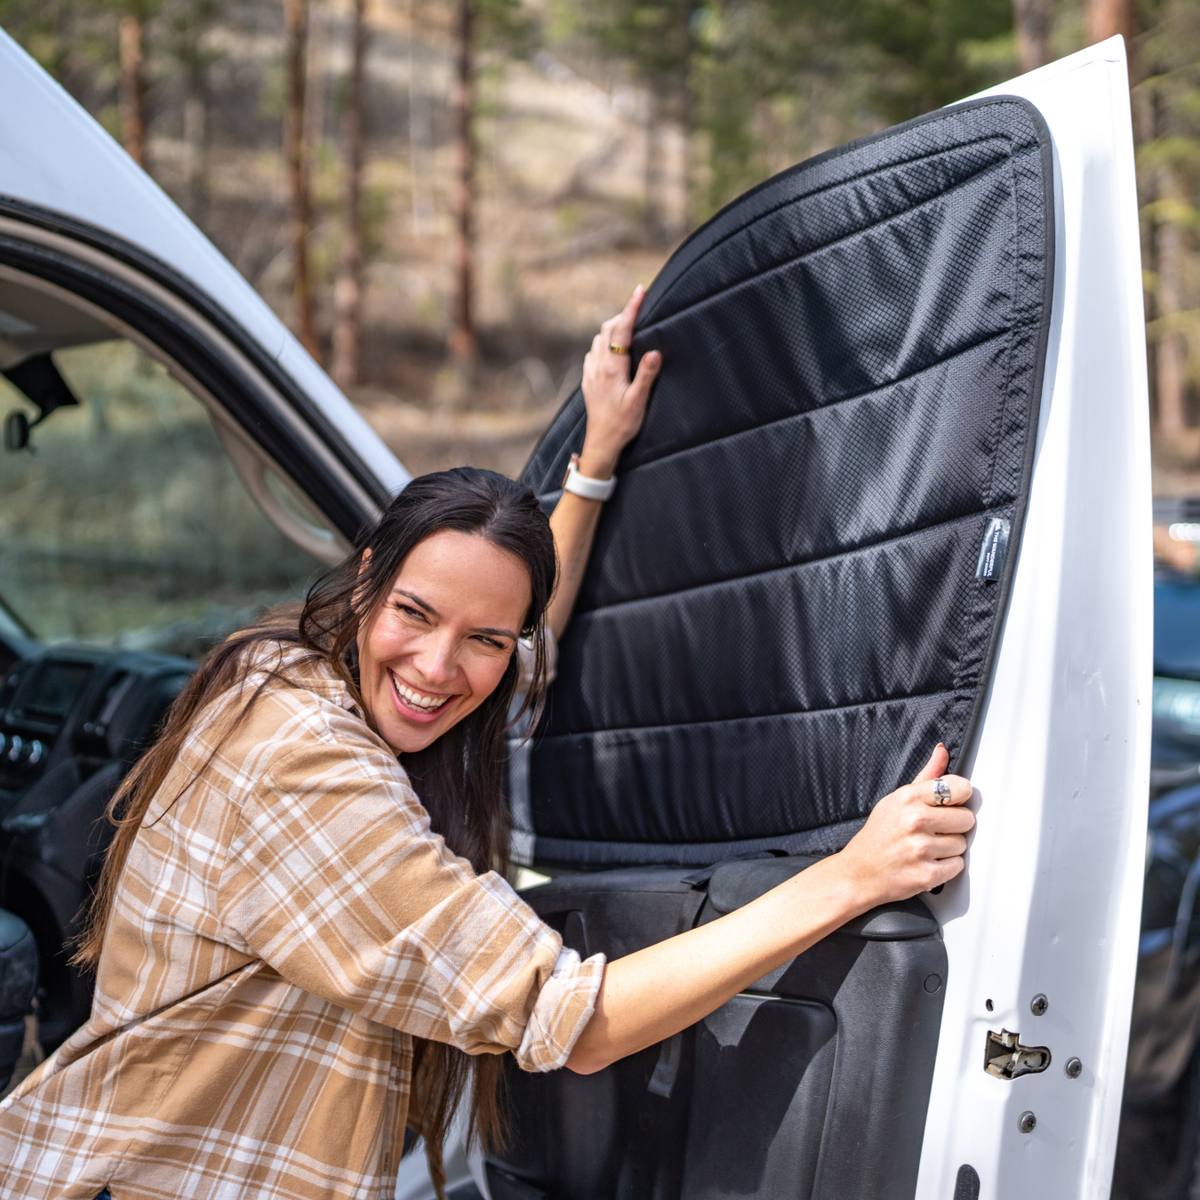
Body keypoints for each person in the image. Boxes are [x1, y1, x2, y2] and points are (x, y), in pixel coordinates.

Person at [0, 289, 974, 1200]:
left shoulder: (297, 673)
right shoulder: (304, 763)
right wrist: (851, 879)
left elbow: (514, 652)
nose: (437, 666)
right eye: (416, 614)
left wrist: (594, 460)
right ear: (368, 576)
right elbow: (578, 1024)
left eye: (482, 641)